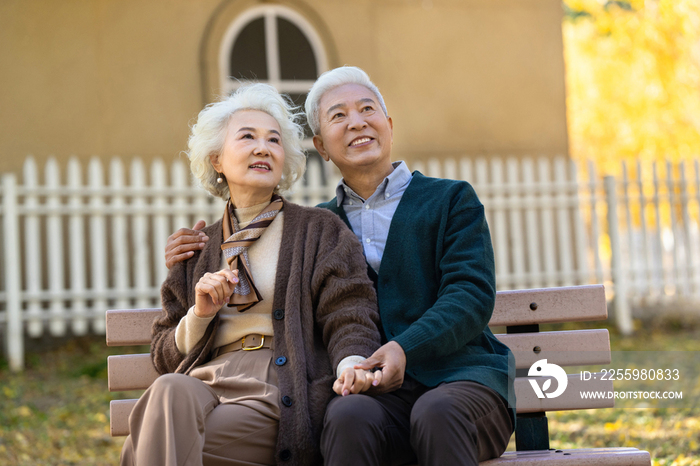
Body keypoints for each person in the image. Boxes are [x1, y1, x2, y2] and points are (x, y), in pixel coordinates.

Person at [165, 68, 515, 466]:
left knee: (435, 412)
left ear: (389, 125)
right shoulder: (318, 229)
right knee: (346, 416)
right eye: (338, 116)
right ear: (321, 146)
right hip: (375, 392)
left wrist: (405, 347)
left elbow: (470, 295)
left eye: (367, 109)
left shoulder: (450, 200)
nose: (357, 122)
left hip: (461, 380)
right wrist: (188, 254)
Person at [121, 83, 382, 466]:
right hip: (203, 383)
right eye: (247, 137)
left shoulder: (319, 231)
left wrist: (350, 364)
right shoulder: (197, 247)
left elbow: (349, 313)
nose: (263, 148)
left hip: (277, 386)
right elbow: (164, 353)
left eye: (274, 140)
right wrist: (200, 314)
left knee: (151, 441)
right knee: (169, 390)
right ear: (217, 160)